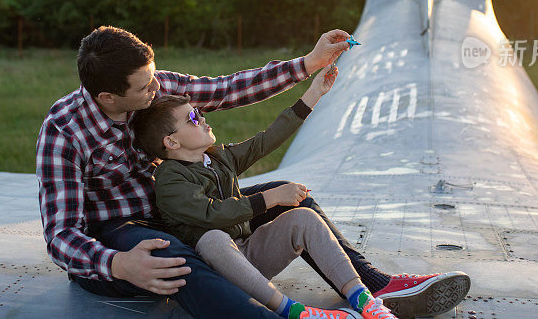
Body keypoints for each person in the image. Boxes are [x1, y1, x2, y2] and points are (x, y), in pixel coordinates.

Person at [37, 25, 469, 318]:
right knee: (174, 256)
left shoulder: (155, 89)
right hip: (123, 234)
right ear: (109, 98)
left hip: (188, 211)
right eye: (145, 86)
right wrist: (115, 264)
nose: (157, 88)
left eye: (154, 77)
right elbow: (60, 234)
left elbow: (227, 90)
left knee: (289, 194)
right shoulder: (63, 131)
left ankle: (373, 287)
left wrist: (307, 65)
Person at [136, 65, 418, 319]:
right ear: (171, 142)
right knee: (212, 239)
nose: (202, 118)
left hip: (248, 256)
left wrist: (313, 96)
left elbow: (264, 141)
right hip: (215, 270)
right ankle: (292, 311)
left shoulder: (218, 158)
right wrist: (271, 197)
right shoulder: (169, 179)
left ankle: (365, 301)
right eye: (193, 119)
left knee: (304, 217)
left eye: (198, 112)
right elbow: (211, 213)